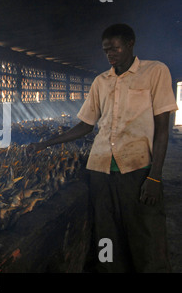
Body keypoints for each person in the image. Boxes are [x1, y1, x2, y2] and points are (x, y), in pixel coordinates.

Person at [27, 24, 178, 272]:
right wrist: (45, 143)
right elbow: (85, 125)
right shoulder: (101, 82)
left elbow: (163, 128)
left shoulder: (155, 71)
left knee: (146, 234)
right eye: (106, 50)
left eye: (115, 48)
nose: (110, 54)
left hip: (137, 170)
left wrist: (155, 176)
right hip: (100, 170)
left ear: (131, 44)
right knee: (108, 236)